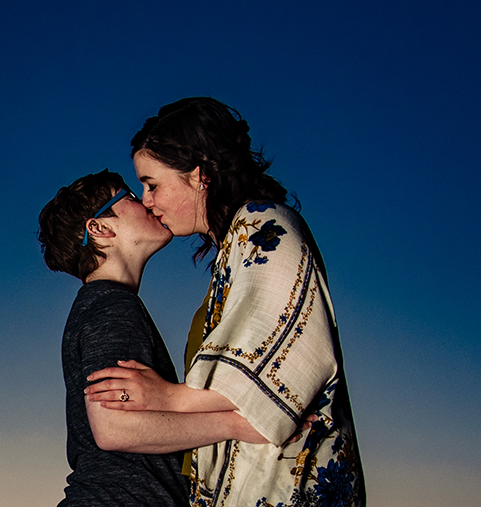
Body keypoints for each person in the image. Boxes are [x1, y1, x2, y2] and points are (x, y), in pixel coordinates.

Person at [84, 98, 365, 507]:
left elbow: (284, 367)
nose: (147, 200)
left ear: (199, 175)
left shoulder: (267, 226)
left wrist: (169, 397)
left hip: (290, 484)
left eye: (153, 184)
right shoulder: (234, 249)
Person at [39, 169, 267, 506]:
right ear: (101, 228)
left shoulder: (103, 304)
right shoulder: (111, 306)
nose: (148, 201)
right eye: (130, 196)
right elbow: (113, 427)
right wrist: (237, 424)